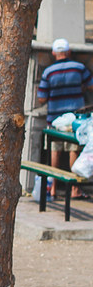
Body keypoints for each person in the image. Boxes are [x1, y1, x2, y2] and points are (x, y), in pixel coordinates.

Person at [37, 38, 93, 199]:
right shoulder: (79, 68)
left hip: (54, 118)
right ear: (68, 52)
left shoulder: (48, 72)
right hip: (75, 121)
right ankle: (74, 189)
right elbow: (91, 85)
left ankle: (53, 188)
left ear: (54, 53)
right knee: (73, 150)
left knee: (55, 151)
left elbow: (41, 98)